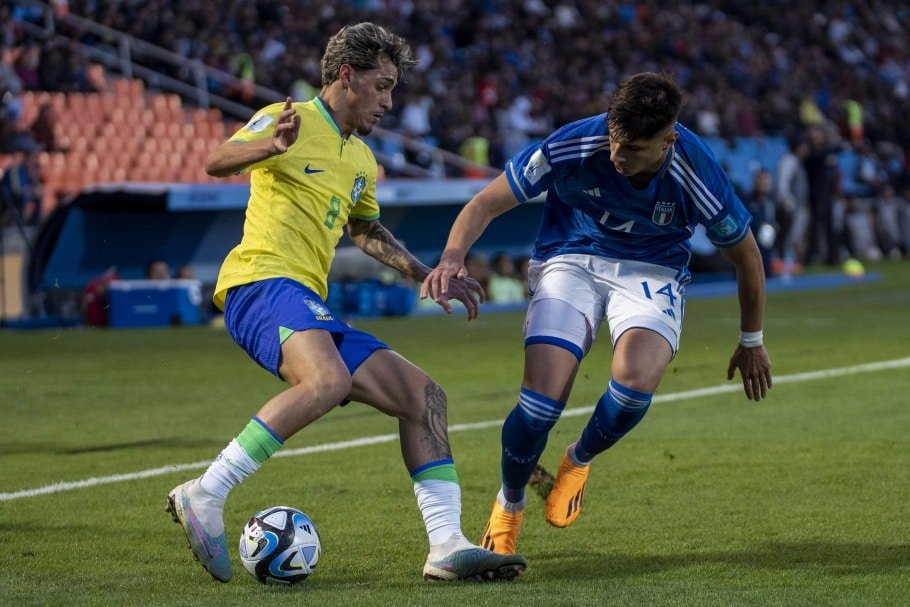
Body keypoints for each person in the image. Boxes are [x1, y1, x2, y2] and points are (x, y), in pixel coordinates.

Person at [165, 22, 526, 584]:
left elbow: (365, 229)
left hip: (307, 298)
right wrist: (269, 146)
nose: (388, 102)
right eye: (381, 87)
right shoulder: (289, 118)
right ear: (345, 75)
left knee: (423, 395)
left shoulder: (360, 159)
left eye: (393, 91)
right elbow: (216, 161)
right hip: (259, 283)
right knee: (327, 380)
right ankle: (205, 494)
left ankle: (446, 545)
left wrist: (425, 272)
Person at [421, 72, 772, 556]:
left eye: (631, 148)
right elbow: (486, 202)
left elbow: (747, 257)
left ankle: (578, 460)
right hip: (571, 255)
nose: (616, 155)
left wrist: (751, 341)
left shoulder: (697, 170)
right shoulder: (575, 143)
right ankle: (510, 501)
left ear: (668, 139)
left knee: (633, 386)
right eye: (613, 140)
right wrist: (453, 255)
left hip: (653, 266)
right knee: (541, 403)